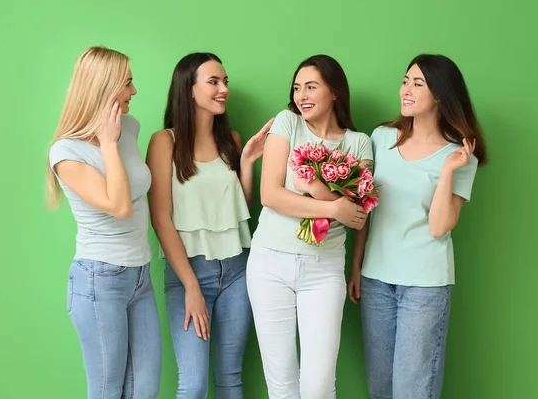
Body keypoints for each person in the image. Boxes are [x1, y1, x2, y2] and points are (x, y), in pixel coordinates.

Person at [348, 54, 488, 399]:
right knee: (381, 388)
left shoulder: (459, 157)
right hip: (376, 280)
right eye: (405, 81)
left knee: (413, 390)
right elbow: (366, 205)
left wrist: (447, 172)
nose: (405, 90)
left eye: (417, 84)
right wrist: (356, 264)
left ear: (439, 94)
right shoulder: (381, 138)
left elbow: (440, 226)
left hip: (425, 287)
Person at [146, 52, 273, 399]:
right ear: (188, 90)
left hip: (238, 270)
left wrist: (246, 160)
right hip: (190, 272)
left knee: (230, 378)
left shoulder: (231, 139)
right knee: (194, 383)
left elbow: (240, 211)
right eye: (214, 82)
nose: (223, 89)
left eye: (225, 81)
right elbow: (160, 219)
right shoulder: (164, 142)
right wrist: (190, 286)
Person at [247, 54, 373, 399]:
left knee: (318, 387)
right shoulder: (287, 123)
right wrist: (332, 205)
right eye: (297, 87)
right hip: (269, 262)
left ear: (334, 92)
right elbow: (270, 195)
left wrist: (313, 189)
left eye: (312, 87)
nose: (302, 95)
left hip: (325, 268)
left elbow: (357, 210)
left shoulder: (359, 142)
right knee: (282, 386)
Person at [46, 46, 161, 399]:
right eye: (127, 83)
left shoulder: (131, 126)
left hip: (140, 275)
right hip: (99, 280)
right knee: (107, 390)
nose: (134, 91)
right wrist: (108, 145)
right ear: (104, 87)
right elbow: (120, 205)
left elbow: (138, 189)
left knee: (144, 390)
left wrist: (116, 138)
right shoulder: (66, 152)